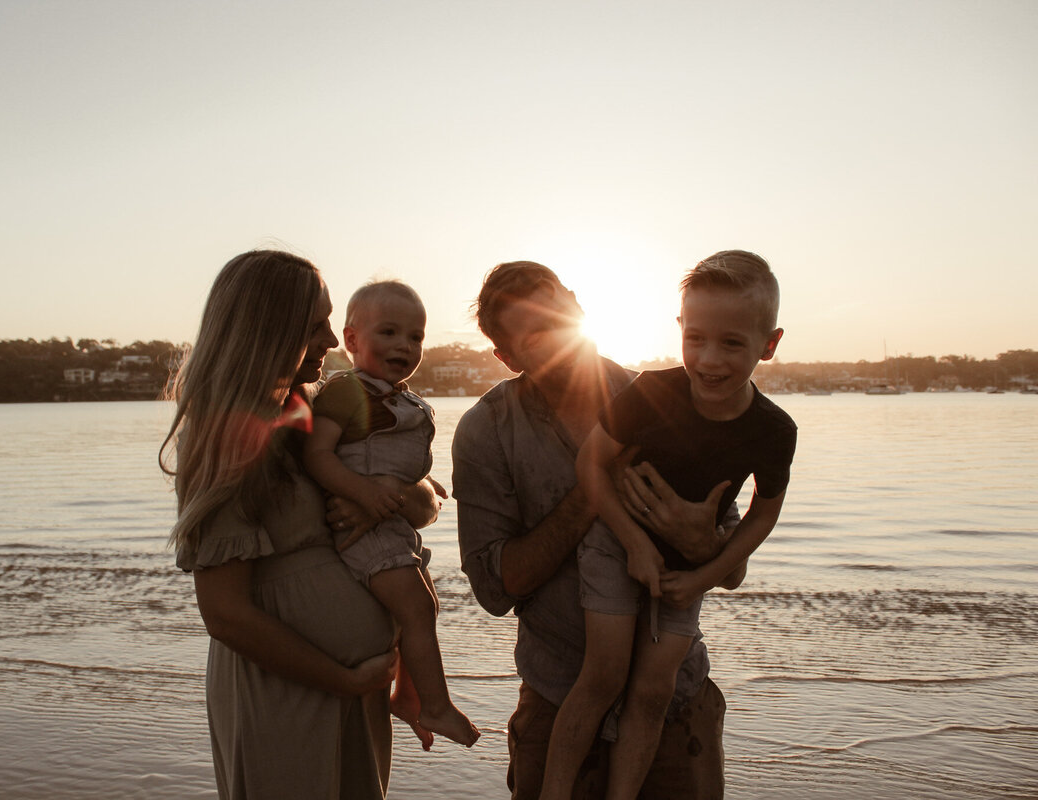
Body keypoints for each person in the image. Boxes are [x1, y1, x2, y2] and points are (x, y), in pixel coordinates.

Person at [454, 260, 746, 800]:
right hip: (557, 698)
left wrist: (706, 545)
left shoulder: (670, 402)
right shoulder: (486, 431)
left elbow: (732, 570)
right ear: (507, 356)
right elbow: (495, 589)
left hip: (675, 703)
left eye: (561, 311)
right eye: (537, 333)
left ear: (581, 309)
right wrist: (597, 486)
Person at [161, 250, 441, 799]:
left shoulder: (323, 409)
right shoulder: (226, 437)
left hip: (354, 689)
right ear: (270, 329)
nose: (333, 341)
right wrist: (344, 678)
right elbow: (226, 614)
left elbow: (431, 497)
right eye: (315, 325)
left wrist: (385, 498)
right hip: (286, 687)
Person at [541, 250, 798, 799]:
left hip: (693, 562)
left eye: (732, 343)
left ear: (769, 345)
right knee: (605, 674)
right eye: (696, 338)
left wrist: (707, 574)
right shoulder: (653, 393)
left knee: (654, 690)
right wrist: (634, 542)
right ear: (680, 329)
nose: (709, 359)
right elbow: (592, 463)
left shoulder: (774, 430)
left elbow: (765, 509)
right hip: (616, 539)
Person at [304, 280, 479, 749]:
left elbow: (409, 474)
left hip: (393, 526)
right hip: (365, 529)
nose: (405, 345)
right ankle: (436, 706)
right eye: (389, 332)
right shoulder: (345, 392)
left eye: (416, 336)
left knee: (421, 609)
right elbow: (317, 456)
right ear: (353, 339)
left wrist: (418, 491)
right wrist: (362, 491)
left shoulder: (401, 398)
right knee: (417, 607)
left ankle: (407, 696)